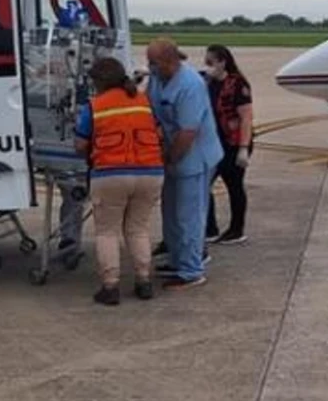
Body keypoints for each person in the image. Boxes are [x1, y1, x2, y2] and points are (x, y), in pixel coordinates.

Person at [73, 57, 165, 306]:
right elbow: (158, 134)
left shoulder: (95, 106)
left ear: (99, 82)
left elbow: (81, 144)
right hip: (150, 172)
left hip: (110, 174)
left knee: (107, 232)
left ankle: (110, 286)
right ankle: (144, 281)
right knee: (138, 229)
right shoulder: (143, 102)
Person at [146, 38, 224, 289]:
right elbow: (150, 110)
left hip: (193, 157)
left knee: (188, 215)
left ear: (170, 61)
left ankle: (191, 270)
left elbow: (187, 133)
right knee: (170, 211)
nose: (150, 67)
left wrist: (169, 158)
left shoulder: (191, 85)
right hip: (170, 153)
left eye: (154, 62)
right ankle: (177, 259)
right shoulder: (158, 79)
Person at [203, 44, 254, 245]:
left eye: (210, 62)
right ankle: (210, 228)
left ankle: (237, 229)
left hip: (234, 143)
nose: (207, 67)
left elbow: (246, 118)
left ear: (223, 62)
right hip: (216, 142)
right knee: (203, 184)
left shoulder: (238, 84)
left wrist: (243, 148)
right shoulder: (208, 82)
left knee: (234, 185)